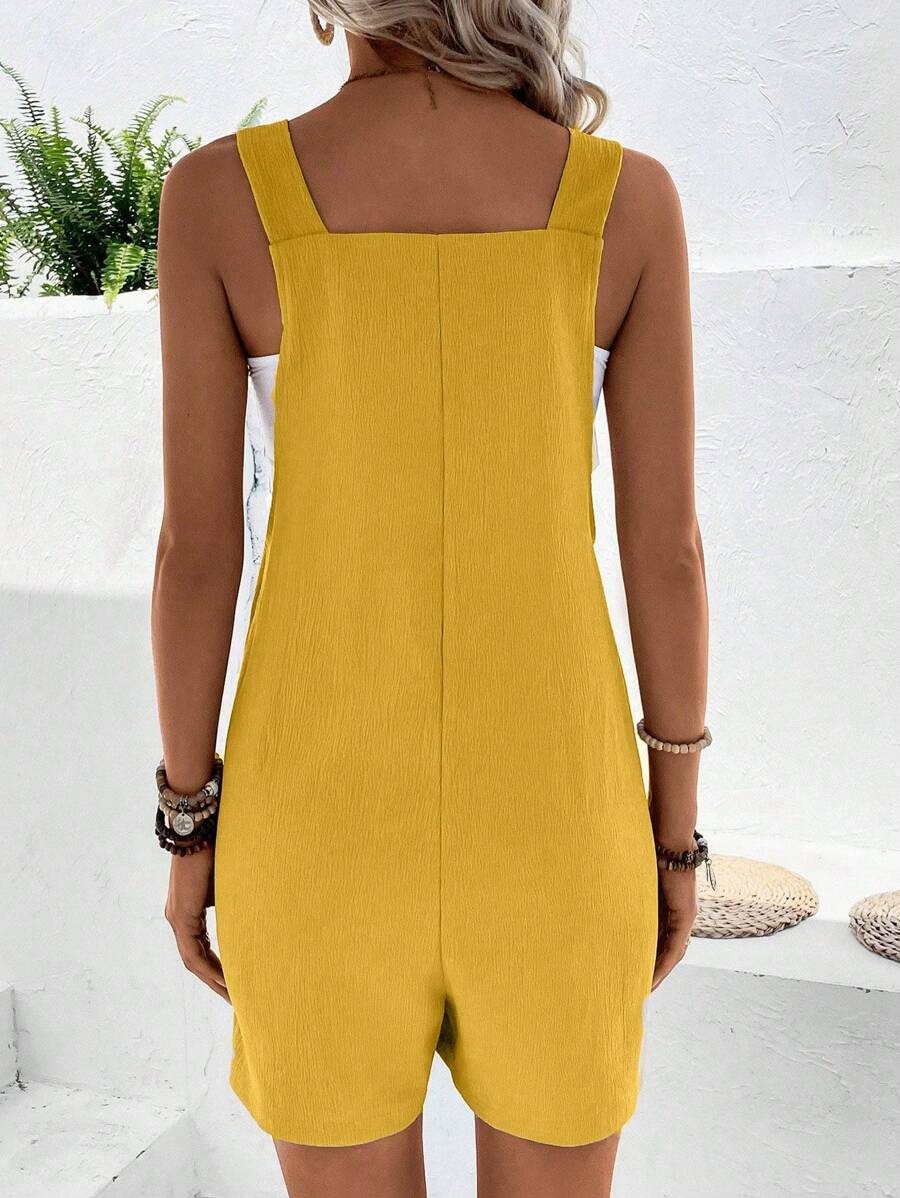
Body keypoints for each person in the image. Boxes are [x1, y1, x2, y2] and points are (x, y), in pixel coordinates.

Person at [151, 4, 710, 1195]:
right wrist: (675, 837)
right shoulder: (626, 202)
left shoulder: (218, 198)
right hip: (560, 825)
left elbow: (197, 553)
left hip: (316, 829)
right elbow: (667, 553)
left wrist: (190, 824)